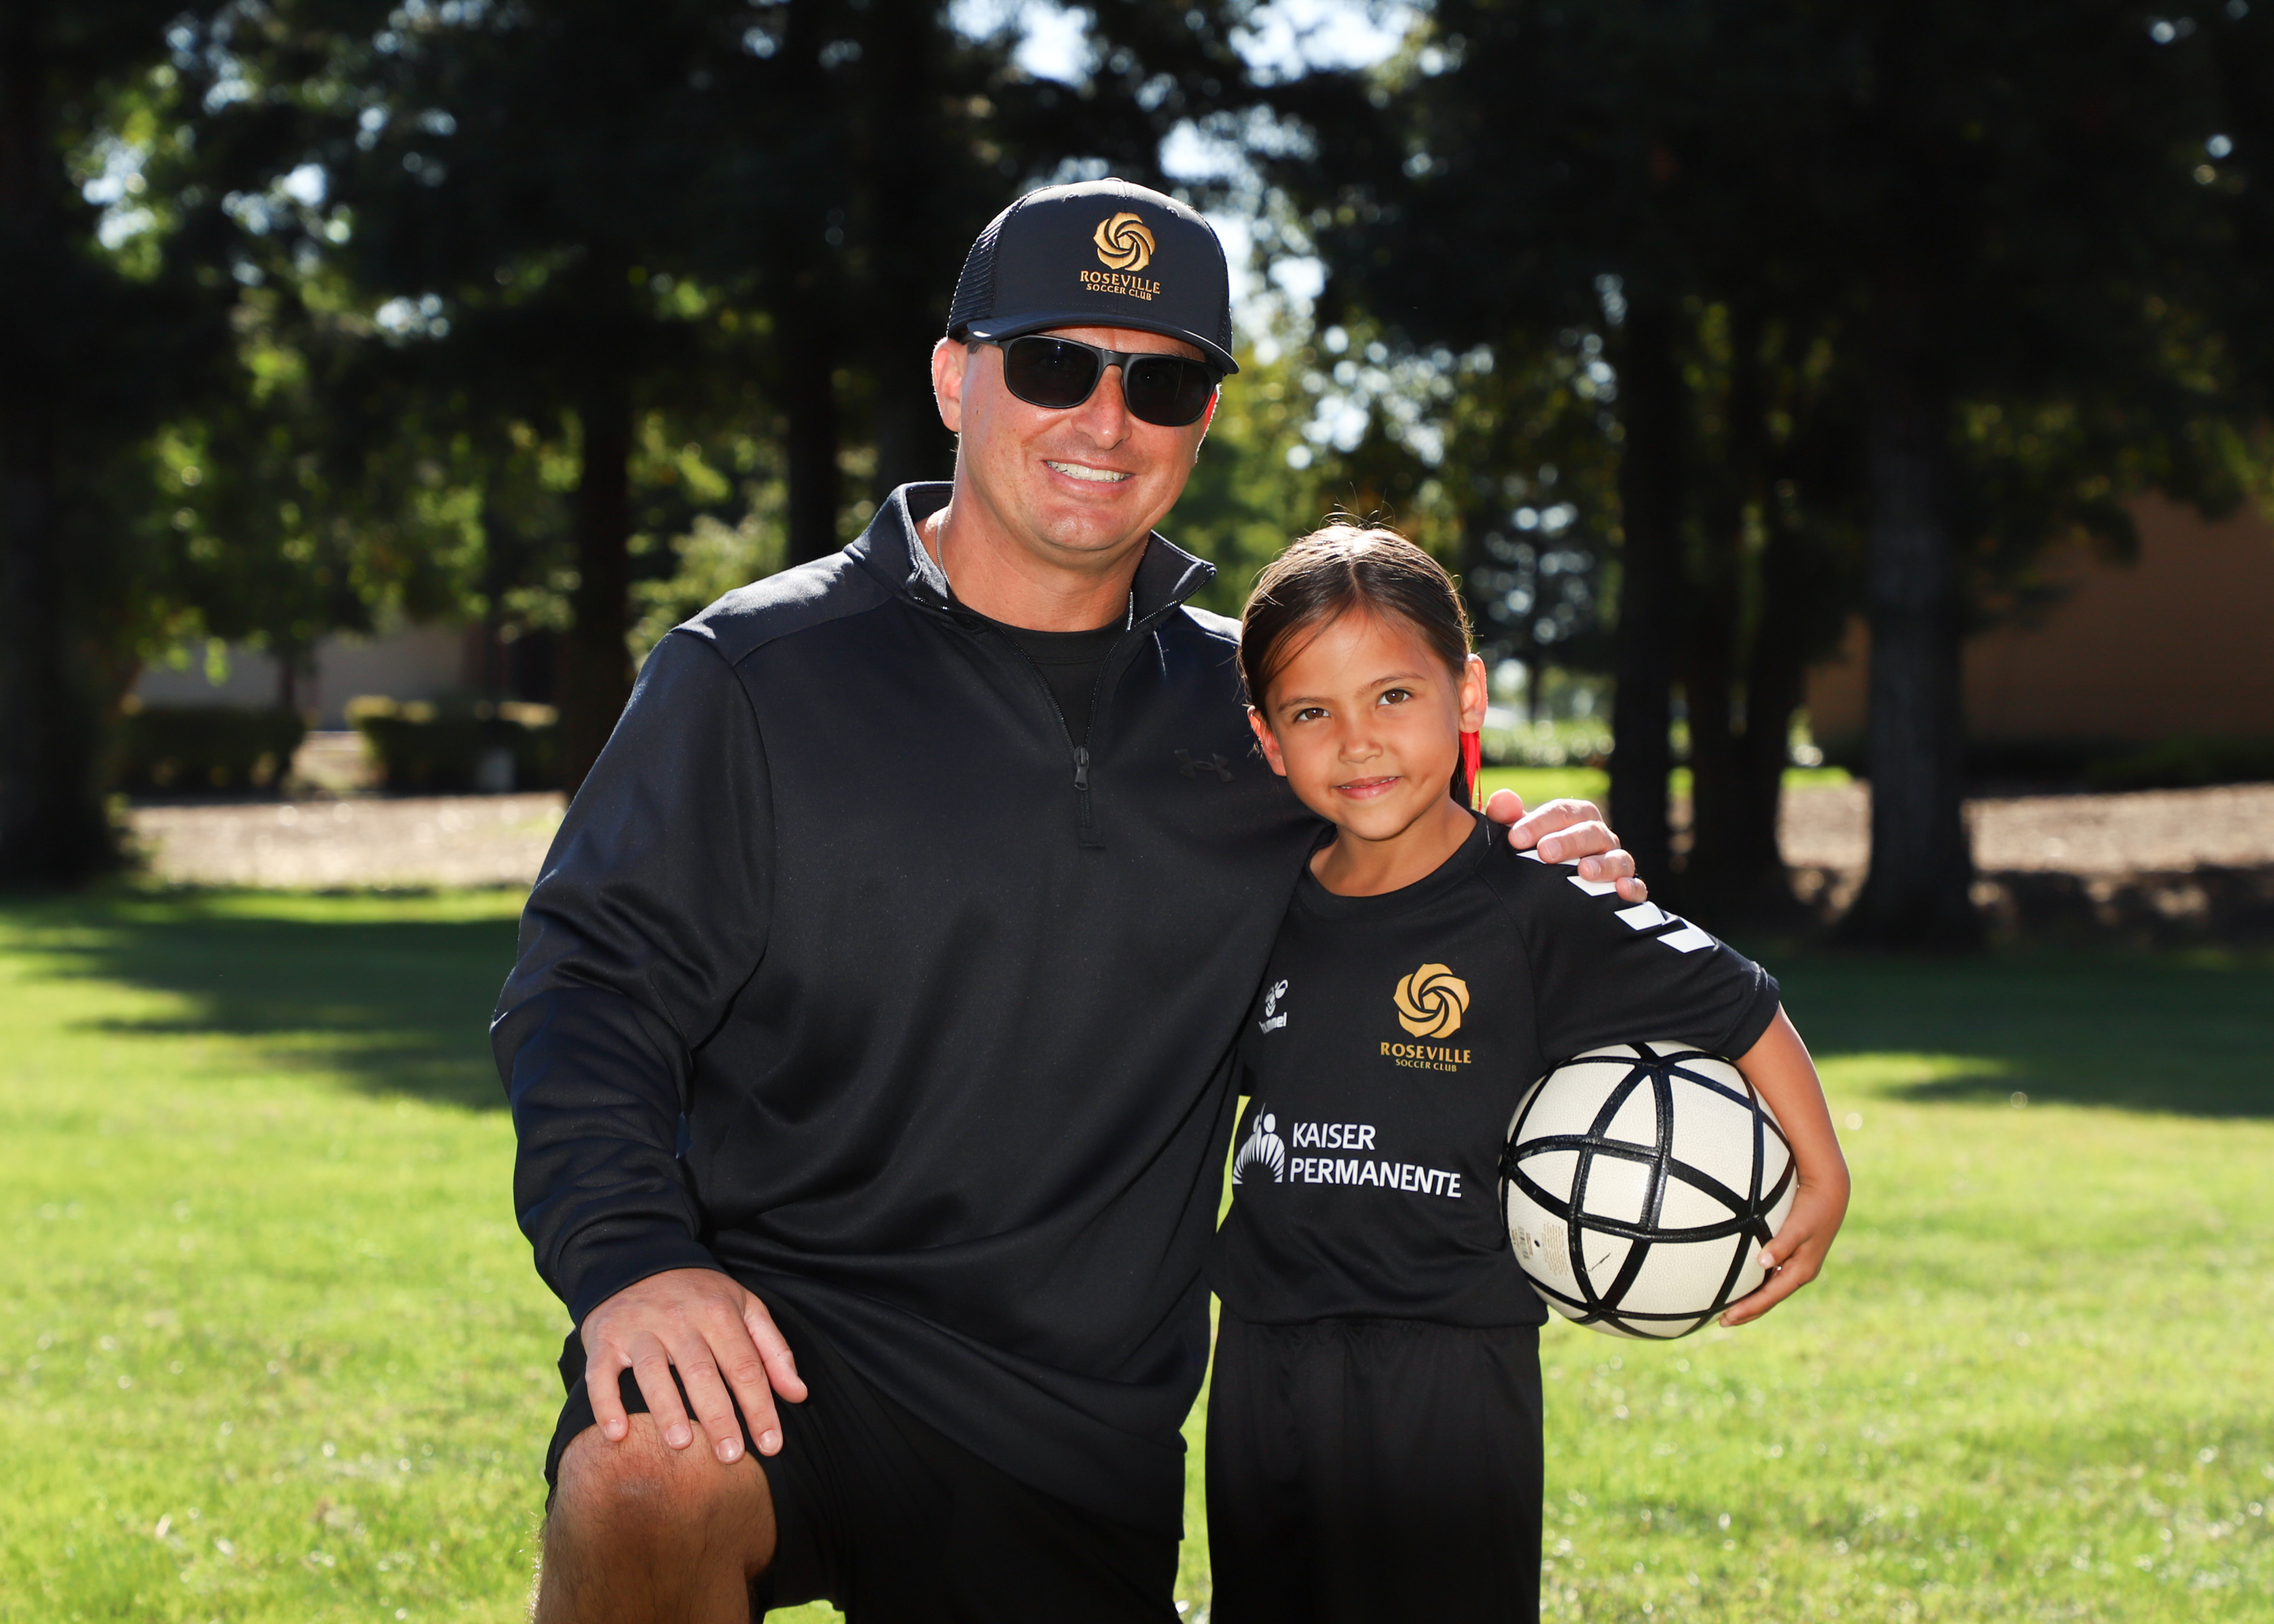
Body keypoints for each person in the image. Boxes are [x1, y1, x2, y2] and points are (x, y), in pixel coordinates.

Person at [494, 179, 1658, 1624]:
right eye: (1054, 364)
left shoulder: (1264, 721)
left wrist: (1549, 876)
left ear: (1202, 422)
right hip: (785, 1348)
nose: (1106, 421)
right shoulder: (751, 675)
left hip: (1072, 1434)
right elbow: (590, 990)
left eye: (1161, 384)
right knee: (642, 1475)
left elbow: (1403, 908)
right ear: (954, 379)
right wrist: (632, 1259)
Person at [1202, 525, 1851, 1622]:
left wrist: (1822, 1171)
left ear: (1467, 695)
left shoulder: (1535, 898)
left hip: (1451, 1365)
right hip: (1267, 1354)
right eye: (1312, 714)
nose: (1358, 743)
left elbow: (1734, 997)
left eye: (1393, 696)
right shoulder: (1259, 902)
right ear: (1269, 739)